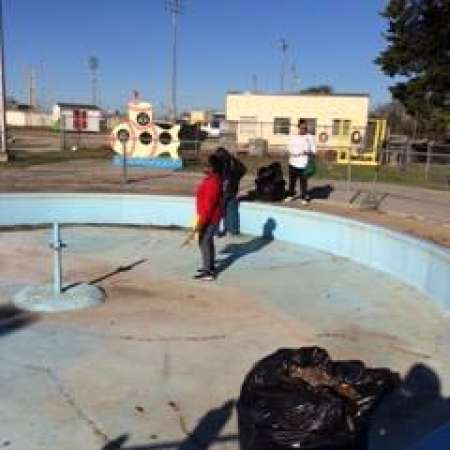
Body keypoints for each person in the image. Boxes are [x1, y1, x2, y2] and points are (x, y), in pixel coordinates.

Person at [193, 154, 223, 281]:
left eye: (207, 165)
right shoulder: (211, 179)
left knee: (204, 241)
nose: (204, 167)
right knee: (207, 241)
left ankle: (208, 271)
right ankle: (209, 265)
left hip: (209, 218)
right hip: (208, 216)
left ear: (213, 167)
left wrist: (202, 221)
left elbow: (209, 204)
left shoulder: (213, 182)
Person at [215, 147, 247, 235]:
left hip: (224, 189)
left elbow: (220, 175)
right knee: (232, 209)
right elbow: (244, 169)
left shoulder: (221, 162)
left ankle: (218, 230)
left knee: (219, 210)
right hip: (233, 188)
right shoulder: (234, 160)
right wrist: (236, 179)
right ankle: (233, 230)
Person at [285, 119, 316, 205]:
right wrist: (298, 152)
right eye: (302, 128)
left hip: (304, 164)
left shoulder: (310, 137)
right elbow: (289, 148)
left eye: (305, 128)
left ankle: (304, 197)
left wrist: (308, 152)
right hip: (293, 163)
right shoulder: (293, 137)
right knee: (292, 181)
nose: (304, 130)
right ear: (298, 127)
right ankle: (290, 195)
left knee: (303, 182)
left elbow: (313, 151)